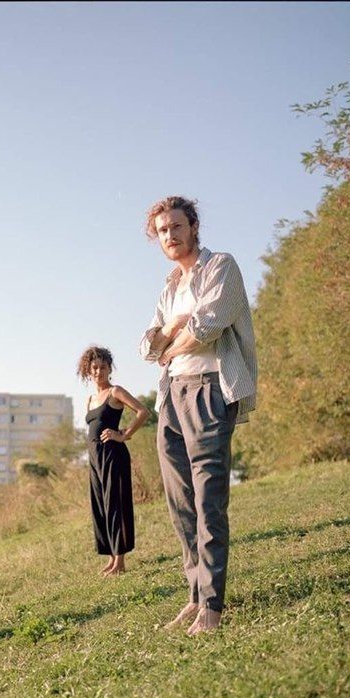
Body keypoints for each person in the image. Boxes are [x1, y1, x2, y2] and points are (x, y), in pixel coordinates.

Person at [138, 196, 257, 634]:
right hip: (170, 396)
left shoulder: (221, 266)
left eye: (176, 226)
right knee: (180, 502)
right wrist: (172, 330)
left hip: (208, 390)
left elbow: (208, 324)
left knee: (208, 500)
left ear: (193, 226)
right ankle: (194, 594)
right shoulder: (170, 287)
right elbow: (145, 346)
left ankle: (212, 605)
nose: (170, 235)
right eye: (163, 230)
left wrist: (169, 342)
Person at [77, 346, 149, 575]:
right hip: (95, 458)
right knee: (101, 506)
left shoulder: (115, 392)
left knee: (116, 505)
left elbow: (143, 412)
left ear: (110, 369)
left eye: (103, 367)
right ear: (88, 371)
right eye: (94, 367)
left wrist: (123, 435)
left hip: (113, 455)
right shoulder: (89, 399)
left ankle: (121, 561)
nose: (98, 371)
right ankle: (111, 557)